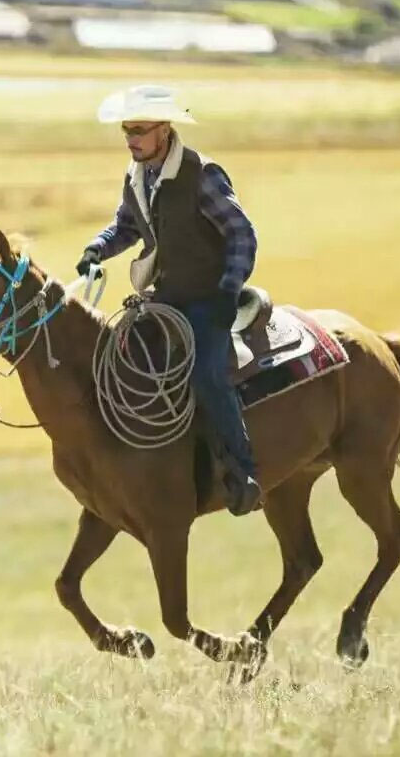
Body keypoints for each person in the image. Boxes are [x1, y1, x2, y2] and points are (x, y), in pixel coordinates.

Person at [76, 84, 261, 516]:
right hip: (164, 298)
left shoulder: (202, 173)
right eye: (126, 131)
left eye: (139, 130)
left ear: (165, 129)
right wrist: (96, 249)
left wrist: (227, 291)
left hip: (208, 299)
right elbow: (125, 226)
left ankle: (243, 471)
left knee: (208, 375)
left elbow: (242, 235)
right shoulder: (137, 176)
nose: (131, 140)